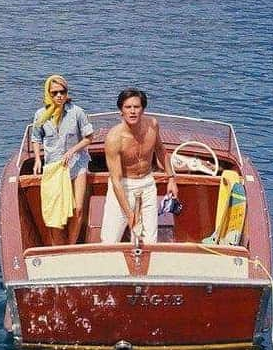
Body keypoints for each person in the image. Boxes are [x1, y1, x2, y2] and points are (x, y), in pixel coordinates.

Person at [100, 87, 178, 244]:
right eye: (128, 107)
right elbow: (115, 180)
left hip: (147, 183)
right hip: (123, 186)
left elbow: (161, 150)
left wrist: (171, 179)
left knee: (150, 240)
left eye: (137, 107)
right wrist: (130, 215)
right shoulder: (114, 138)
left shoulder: (153, 125)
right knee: (110, 240)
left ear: (143, 109)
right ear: (121, 111)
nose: (132, 111)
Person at [31, 74, 94, 245]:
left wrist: (73, 150)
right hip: (54, 167)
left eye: (62, 92)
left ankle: (71, 245)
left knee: (78, 208)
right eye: (54, 93)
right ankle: (58, 245)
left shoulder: (77, 112)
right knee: (55, 212)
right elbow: (36, 138)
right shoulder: (40, 114)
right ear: (48, 94)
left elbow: (89, 137)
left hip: (77, 164)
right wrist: (37, 159)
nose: (59, 96)